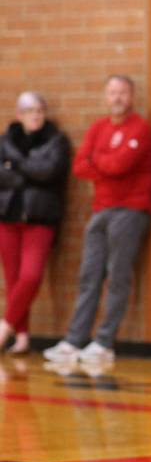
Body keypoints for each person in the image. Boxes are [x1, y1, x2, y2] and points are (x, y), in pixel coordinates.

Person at [43, 75, 151, 367]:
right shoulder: (98, 128)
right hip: (100, 210)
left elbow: (121, 165)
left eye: (122, 92)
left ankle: (104, 342)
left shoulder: (140, 128)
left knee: (117, 275)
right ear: (106, 97)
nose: (117, 97)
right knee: (88, 275)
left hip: (130, 211)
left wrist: (99, 162)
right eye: (112, 92)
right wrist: (104, 163)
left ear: (131, 96)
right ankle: (74, 340)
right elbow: (80, 165)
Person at [0, 93, 70, 354]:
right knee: (13, 279)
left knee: (30, 276)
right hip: (8, 217)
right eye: (30, 111)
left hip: (40, 218)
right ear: (19, 114)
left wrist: (16, 165)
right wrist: (27, 172)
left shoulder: (56, 141)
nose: (36, 115)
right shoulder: (5, 141)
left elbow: (48, 172)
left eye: (40, 110)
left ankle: (4, 326)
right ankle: (22, 337)